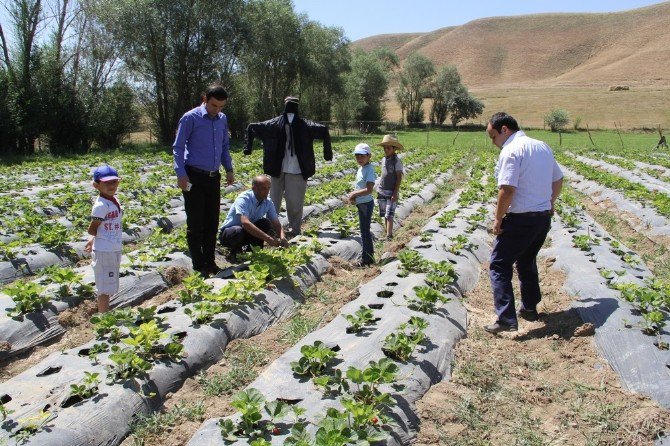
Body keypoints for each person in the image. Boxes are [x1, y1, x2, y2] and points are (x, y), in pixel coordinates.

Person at [485, 112, 563, 334]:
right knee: (526, 259)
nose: (493, 143)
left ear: (504, 130)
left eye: (493, 136)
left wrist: (498, 218)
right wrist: (550, 202)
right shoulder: (541, 146)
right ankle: (529, 308)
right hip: (542, 218)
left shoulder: (510, 150)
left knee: (499, 265)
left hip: (520, 219)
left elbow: (507, 189)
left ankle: (506, 318)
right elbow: (558, 179)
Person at [244, 96, 332, 237]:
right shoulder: (277, 124)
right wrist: (247, 147)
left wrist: (328, 153)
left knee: (294, 202)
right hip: (277, 169)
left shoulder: (304, 125)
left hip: (297, 170)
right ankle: (272, 228)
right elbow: (252, 127)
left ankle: (294, 230)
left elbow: (252, 127)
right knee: (273, 202)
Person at [173, 85, 235, 277]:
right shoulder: (190, 118)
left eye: (220, 107)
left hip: (213, 177)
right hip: (194, 176)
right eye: (214, 105)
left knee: (212, 221)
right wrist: (181, 173)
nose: (216, 110)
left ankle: (210, 261)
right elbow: (178, 147)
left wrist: (229, 168)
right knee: (196, 223)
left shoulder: (222, 120)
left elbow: (224, 146)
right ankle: (199, 265)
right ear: (204, 99)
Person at [219, 175, 288, 262]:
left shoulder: (268, 202)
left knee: (265, 223)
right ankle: (235, 252)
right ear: (254, 188)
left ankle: (253, 252)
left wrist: (282, 237)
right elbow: (245, 223)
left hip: (246, 232)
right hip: (230, 234)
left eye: (268, 188)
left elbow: (276, 223)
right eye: (263, 188)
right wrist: (268, 238)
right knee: (238, 231)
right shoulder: (244, 199)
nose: (267, 191)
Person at [84, 165, 123, 313]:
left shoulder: (113, 200)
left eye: (114, 182)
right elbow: (93, 227)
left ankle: (105, 314)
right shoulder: (100, 205)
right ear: (96, 185)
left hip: (113, 248)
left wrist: (92, 239)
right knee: (104, 286)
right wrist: (92, 240)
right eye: (106, 183)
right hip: (104, 250)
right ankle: (103, 317)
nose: (111, 185)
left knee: (109, 282)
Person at [348, 143, 377, 266]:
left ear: (369, 156)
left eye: (362, 156)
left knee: (364, 232)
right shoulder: (361, 168)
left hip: (366, 204)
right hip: (362, 203)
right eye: (357, 156)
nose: (359, 158)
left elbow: (369, 190)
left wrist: (354, 194)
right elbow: (360, 186)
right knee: (364, 231)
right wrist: (355, 197)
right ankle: (368, 257)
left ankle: (366, 260)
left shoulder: (369, 169)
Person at [376, 134, 404, 240]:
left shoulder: (397, 161)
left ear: (394, 149)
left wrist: (395, 193)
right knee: (384, 214)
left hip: (391, 192)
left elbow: (399, 177)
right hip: (382, 190)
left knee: (389, 215)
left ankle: (389, 236)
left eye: (388, 148)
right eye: (385, 148)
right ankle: (387, 233)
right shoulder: (384, 159)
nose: (386, 150)